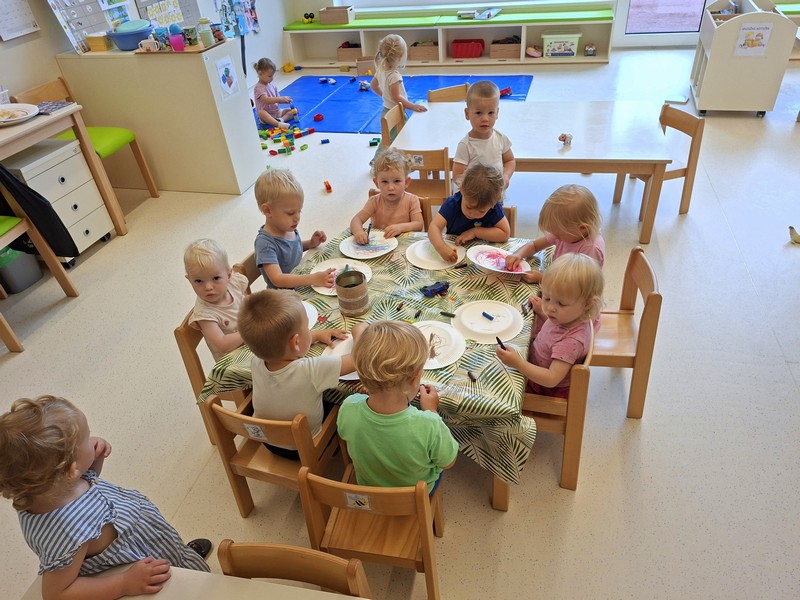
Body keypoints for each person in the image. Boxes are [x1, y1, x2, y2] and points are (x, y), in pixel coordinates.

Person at [0, 396, 211, 600]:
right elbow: (56, 593)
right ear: (70, 469)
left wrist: (92, 461)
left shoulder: (43, 491)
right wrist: (124, 583)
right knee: (195, 589)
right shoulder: (69, 531)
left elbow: (88, 485)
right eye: (86, 439)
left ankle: (181, 558)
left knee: (179, 560)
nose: (92, 440)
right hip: (143, 566)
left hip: (152, 541)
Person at [237, 289, 366, 460]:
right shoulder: (310, 370)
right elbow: (358, 359)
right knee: (341, 403)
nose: (309, 331)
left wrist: (316, 335)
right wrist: (360, 331)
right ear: (296, 342)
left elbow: (283, 343)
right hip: (306, 447)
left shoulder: (256, 361)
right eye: (307, 328)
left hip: (269, 441)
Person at [337, 321, 458, 493]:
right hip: (415, 495)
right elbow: (448, 462)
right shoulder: (429, 424)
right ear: (415, 379)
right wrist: (431, 410)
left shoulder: (348, 407)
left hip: (368, 488)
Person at [496, 253, 604, 398]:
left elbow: (551, 378)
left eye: (561, 303)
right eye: (547, 298)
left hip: (543, 388)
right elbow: (556, 328)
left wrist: (518, 363)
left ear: (587, 305)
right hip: (536, 366)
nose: (550, 308)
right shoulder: (569, 317)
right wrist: (542, 312)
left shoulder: (571, 342)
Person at [505, 184, 605, 284]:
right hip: (557, 278)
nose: (555, 237)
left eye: (558, 235)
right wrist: (518, 255)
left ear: (582, 228)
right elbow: (534, 245)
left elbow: (578, 284)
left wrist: (542, 278)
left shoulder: (591, 249)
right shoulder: (570, 233)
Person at [254, 168, 333, 289]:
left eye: (299, 211)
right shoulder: (265, 244)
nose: (297, 218)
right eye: (290, 213)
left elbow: (290, 249)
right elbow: (278, 279)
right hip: (282, 296)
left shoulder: (287, 227)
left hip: (299, 282)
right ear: (267, 210)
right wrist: (312, 279)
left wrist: (310, 243)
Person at [427, 162, 511, 262]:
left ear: (494, 203)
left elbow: (505, 234)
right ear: (462, 188)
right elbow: (434, 227)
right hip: (455, 255)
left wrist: (476, 232)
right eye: (469, 207)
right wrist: (441, 247)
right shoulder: (452, 204)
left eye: (481, 211)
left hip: (483, 259)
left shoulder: (494, 208)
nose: (473, 214)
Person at [184, 238, 248, 362]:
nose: (208, 287)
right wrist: (250, 331)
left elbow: (248, 303)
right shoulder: (204, 314)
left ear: (229, 275)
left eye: (216, 278)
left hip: (254, 346)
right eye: (198, 281)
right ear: (189, 280)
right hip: (234, 364)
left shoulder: (234, 283)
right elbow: (222, 345)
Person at [370, 34, 426, 160]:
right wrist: (413, 106)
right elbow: (397, 97)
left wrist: (384, 95)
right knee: (396, 139)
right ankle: (379, 161)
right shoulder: (394, 76)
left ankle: (379, 161)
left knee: (387, 138)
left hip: (386, 111)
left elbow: (373, 86)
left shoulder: (381, 70)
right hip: (395, 113)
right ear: (401, 57)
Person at [350, 148, 424, 243]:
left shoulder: (412, 200)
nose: (391, 187)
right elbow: (356, 220)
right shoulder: (374, 201)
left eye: (397, 181)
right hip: (380, 244)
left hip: (404, 244)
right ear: (376, 183)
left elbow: (418, 225)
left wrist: (400, 227)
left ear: (406, 182)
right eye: (385, 181)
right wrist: (359, 232)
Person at [452, 80, 515, 190]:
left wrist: (506, 176)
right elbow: (457, 176)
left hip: (496, 195)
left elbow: (510, 160)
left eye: (491, 113)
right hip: (473, 197)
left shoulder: (501, 138)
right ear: (467, 114)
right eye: (478, 113)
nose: (485, 119)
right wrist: (469, 192)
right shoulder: (465, 145)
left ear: (497, 113)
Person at [253, 58, 293, 131]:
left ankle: (281, 120)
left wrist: (284, 100)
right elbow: (266, 100)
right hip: (267, 115)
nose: (272, 78)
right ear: (260, 74)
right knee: (261, 112)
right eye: (269, 76)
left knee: (293, 111)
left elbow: (277, 99)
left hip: (277, 112)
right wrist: (280, 99)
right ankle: (278, 124)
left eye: (272, 76)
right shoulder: (259, 87)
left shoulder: (273, 86)